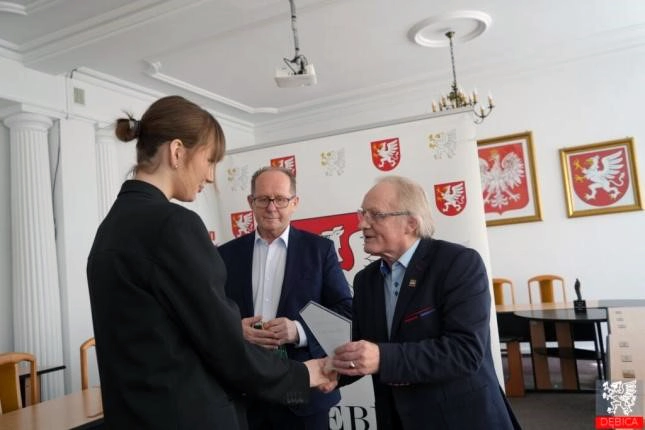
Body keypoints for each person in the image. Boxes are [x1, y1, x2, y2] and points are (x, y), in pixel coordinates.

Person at [86, 96, 335, 429]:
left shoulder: (111, 226)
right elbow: (223, 347)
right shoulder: (175, 225)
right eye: (209, 160)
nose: (210, 176)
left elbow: (161, 329)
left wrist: (231, 326)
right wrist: (303, 374)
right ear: (177, 152)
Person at [331, 175, 521, 430]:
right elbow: (364, 350)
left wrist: (383, 358)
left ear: (410, 223)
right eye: (362, 214)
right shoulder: (366, 280)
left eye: (375, 215)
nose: (362, 224)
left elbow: (465, 351)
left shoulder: (458, 263)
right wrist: (326, 371)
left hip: (460, 419)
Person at [218, 166, 353, 430]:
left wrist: (298, 331)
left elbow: (345, 312)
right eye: (263, 199)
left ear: (294, 203)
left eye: (280, 199)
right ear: (251, 202)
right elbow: (213, 314)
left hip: (305, 396)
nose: (271, 207)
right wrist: (236, 329)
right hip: (246, 395)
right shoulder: (225, 255)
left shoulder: (320, 250)